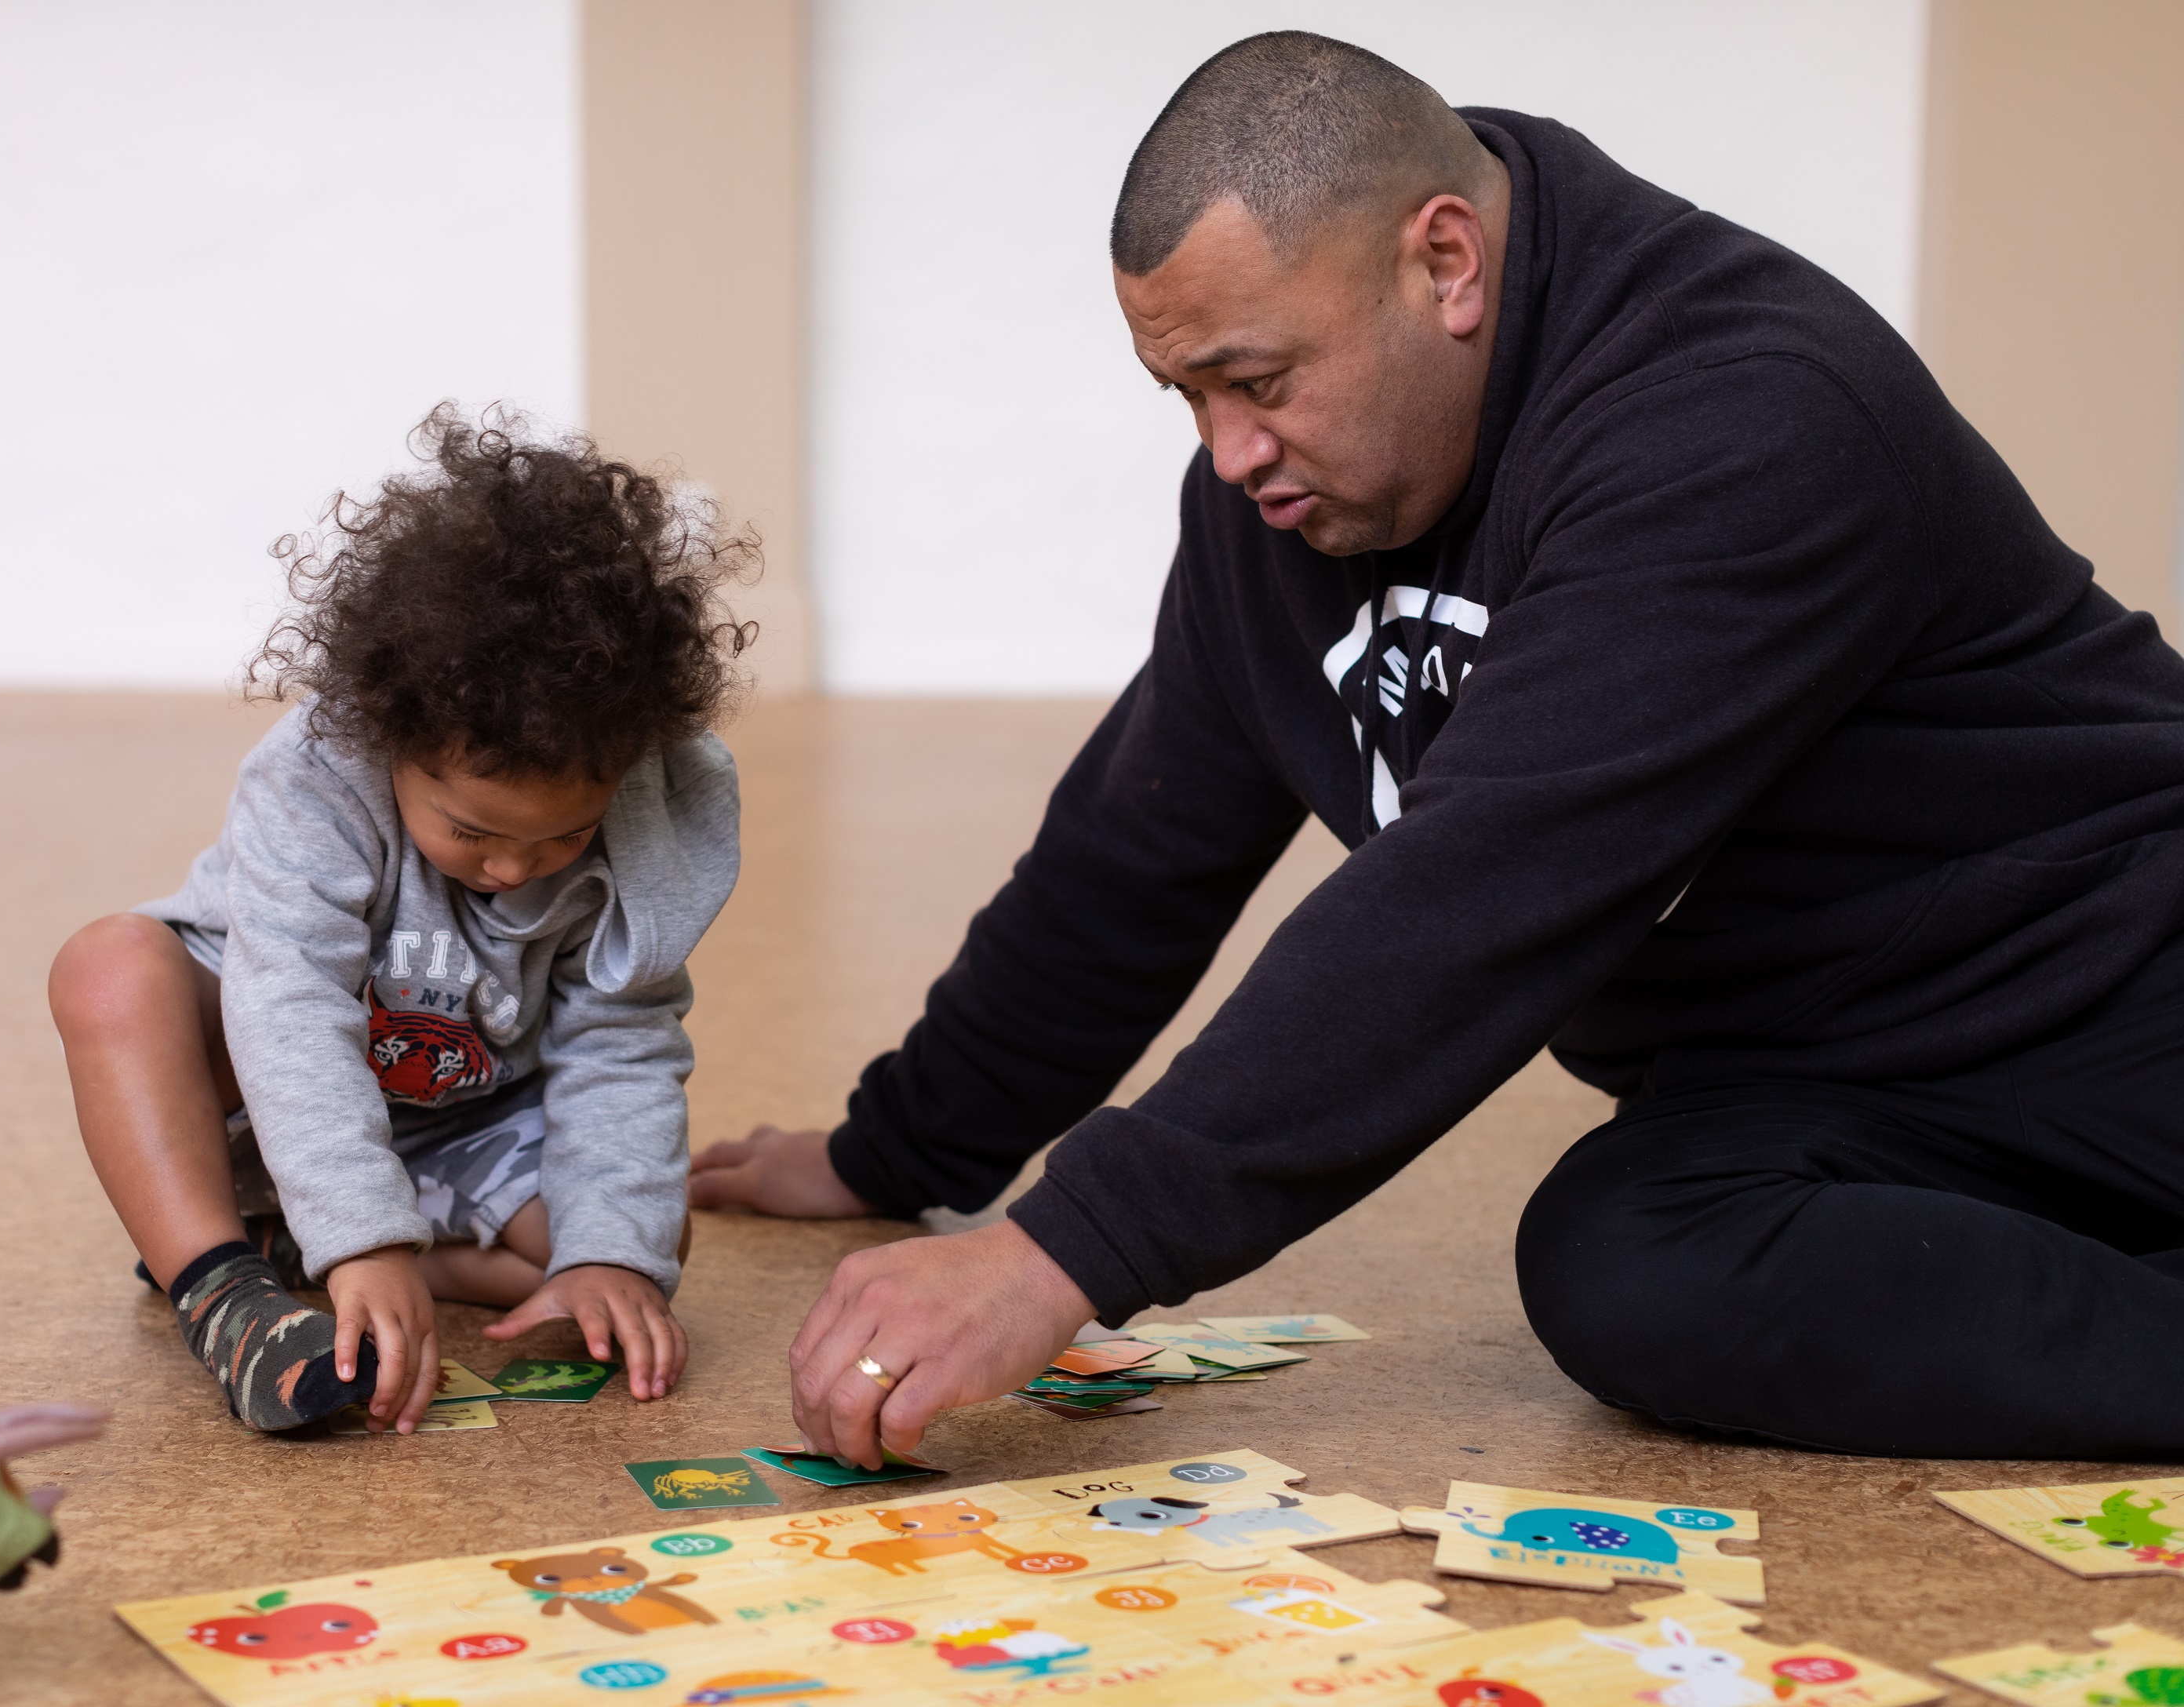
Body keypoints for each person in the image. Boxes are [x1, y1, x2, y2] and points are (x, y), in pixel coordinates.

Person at [693, 31, 2184, 1467]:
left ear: (1447, 263)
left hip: (2124, 1009)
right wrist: (900, 1151)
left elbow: (1472, 899)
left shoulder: (1747, 417)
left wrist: (1062, 1252)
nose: (1226, 455)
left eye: (1259, 381)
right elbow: (1140, 845)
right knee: (1623, 1266)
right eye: (1188, 394)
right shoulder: (1287, 497)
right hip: (1852, 1079)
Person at [51, 406, 748, 1434]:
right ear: (392, 737)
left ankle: (292, 1250)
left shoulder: (651, 812)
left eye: (562, 838)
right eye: (471, 830)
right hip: (267, 1104)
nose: (512, 868)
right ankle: (223, 1289)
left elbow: (621, 1046)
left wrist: (606, 1258)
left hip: (466, 1126)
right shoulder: (320, 773)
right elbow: (287, 1009)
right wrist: (363, 1240)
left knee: (637, 1242)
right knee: (107, 966)